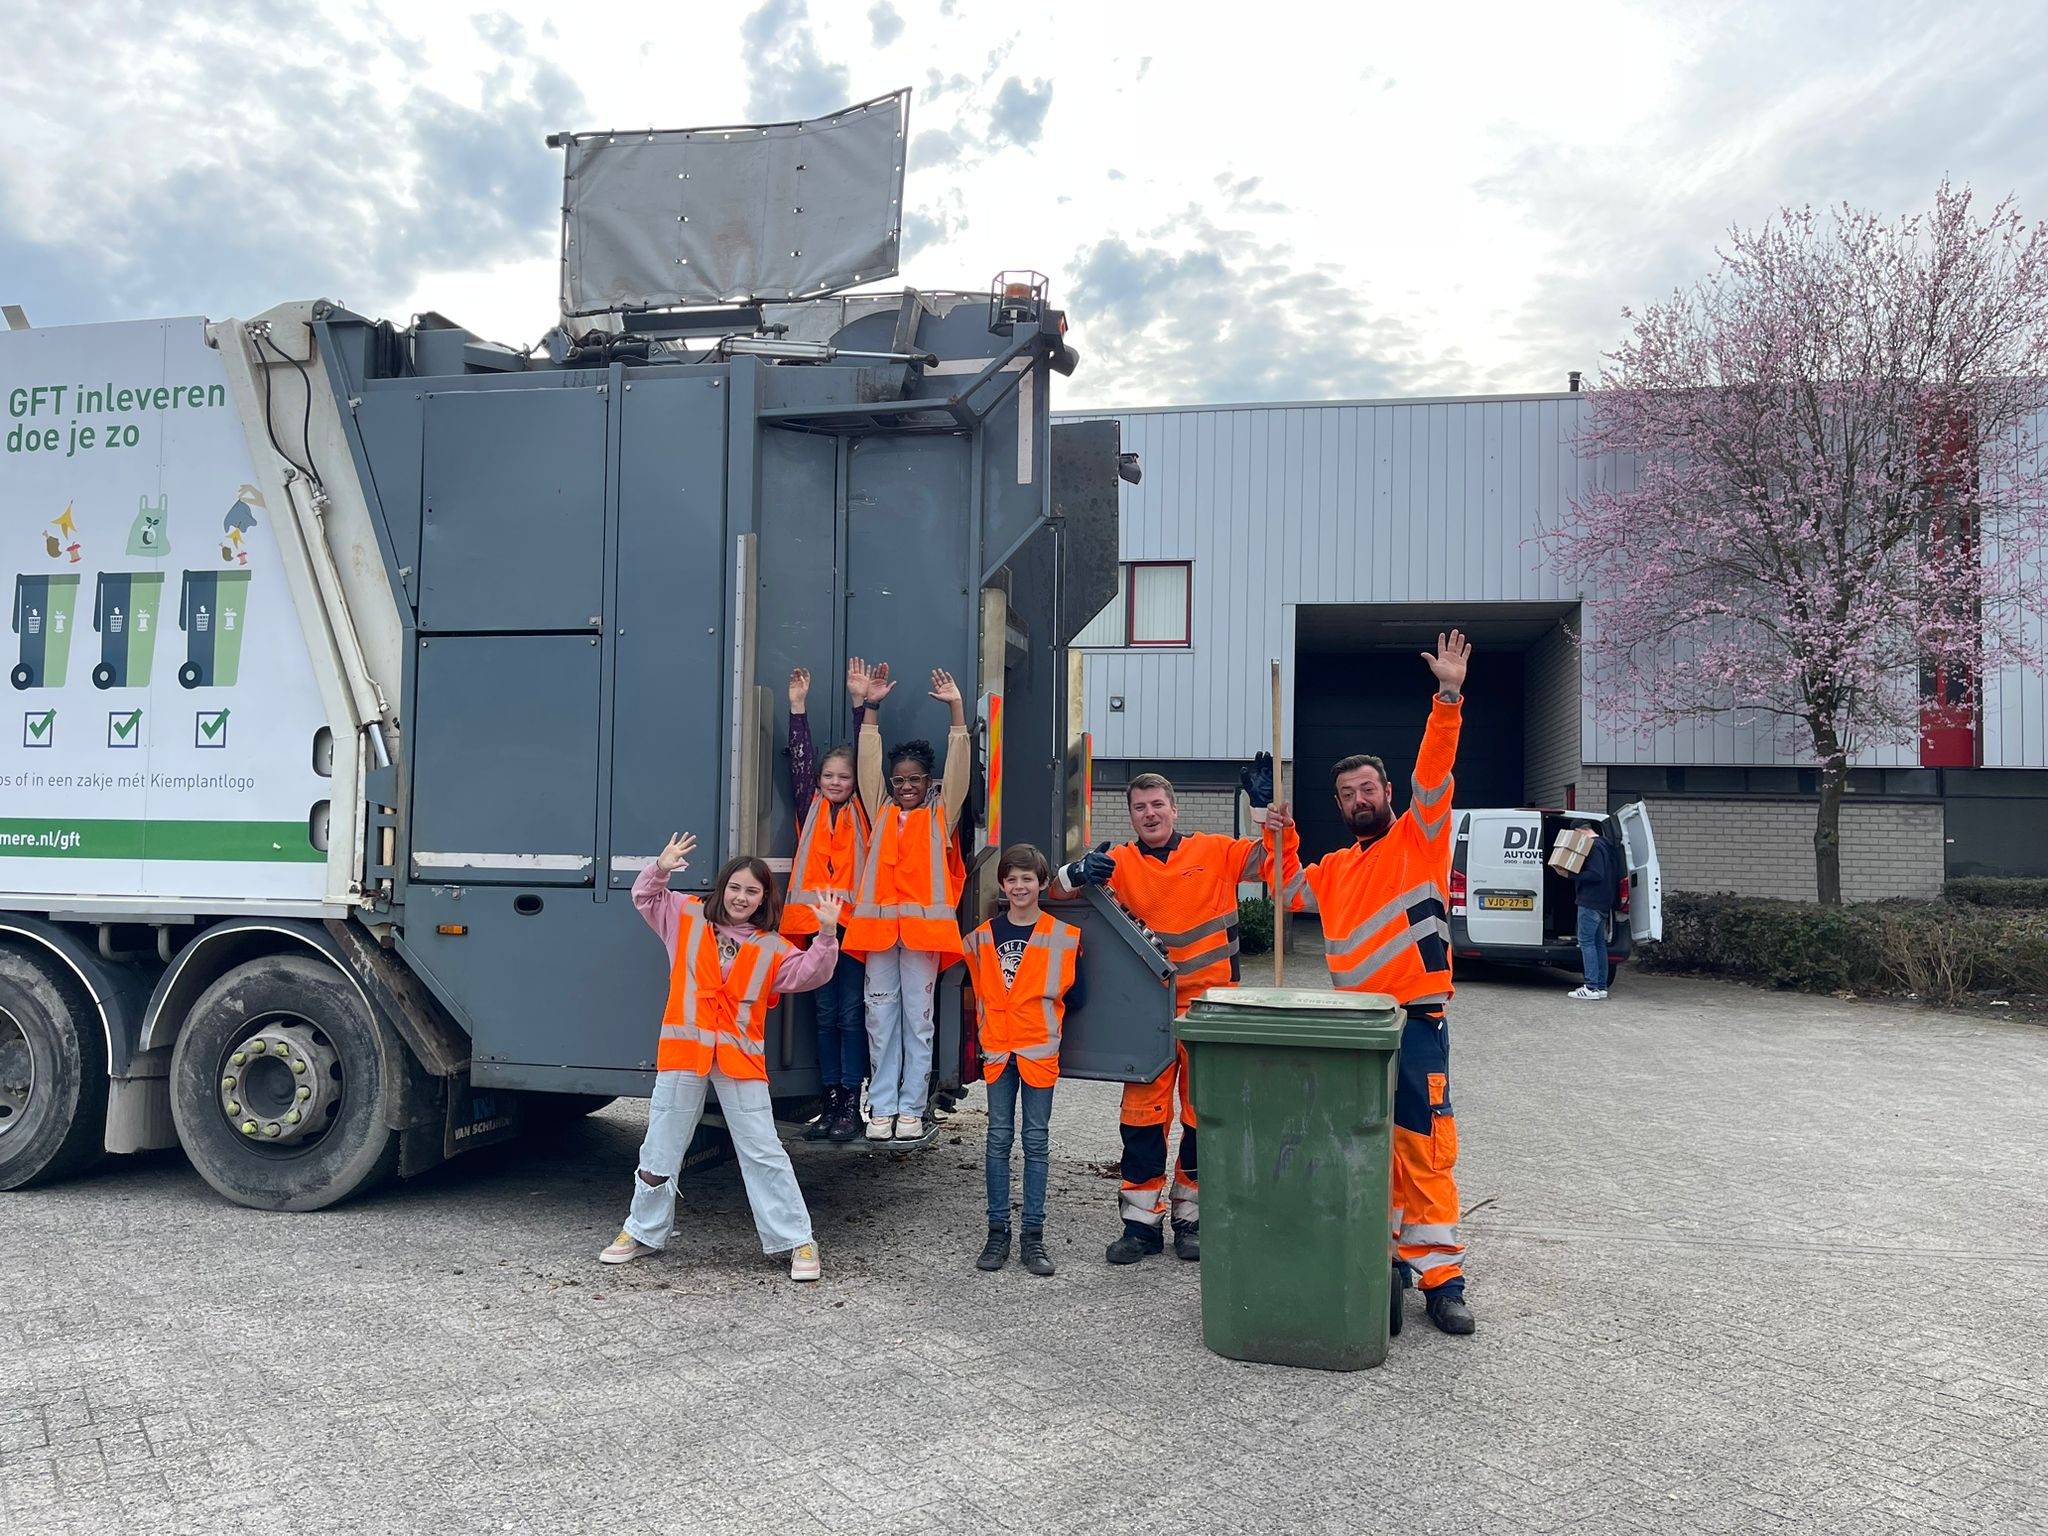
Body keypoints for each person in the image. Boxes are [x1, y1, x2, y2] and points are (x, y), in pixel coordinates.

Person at [1265, 630, 1478, 1335]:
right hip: (1354, 1032)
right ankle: (1383, 1255)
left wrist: (1446, 697)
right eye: (1347, 793)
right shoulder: (1332, 870)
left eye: (1368, 789)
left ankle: (1441, 1278)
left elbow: (1434, 770)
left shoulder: (1420, 835)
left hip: (1414, 1023)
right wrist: (1279, 828)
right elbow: (1285, 889)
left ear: (1388, 792)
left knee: (1422, 1147)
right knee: (1365, 1145)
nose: (1358, 799)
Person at [1056, 770, 1278, 1265]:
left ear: (1174, 808)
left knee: (1205, 1119)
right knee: (1141, 1120)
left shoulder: (1216, 851)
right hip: (1149, 1015)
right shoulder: (1119, 862)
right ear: (1131, 814)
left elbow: (1273, 863)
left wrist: (1264, 810)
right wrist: (1077, 872)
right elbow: (1052, 890)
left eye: (1157, 804)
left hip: (1211, 1010)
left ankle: (1190, 1219)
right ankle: (1139, 1226)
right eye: (1140, 807)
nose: (1150, 814)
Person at [599, 835, 843, 1282]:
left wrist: (827, 933)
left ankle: (796, 1240)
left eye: (752, 891)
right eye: (735, 888)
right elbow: (644, 896)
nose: (741, 898)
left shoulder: (772, 946)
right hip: (685, 1054)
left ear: (763, 899)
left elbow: (814, 972)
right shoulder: (685, 914)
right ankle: (640, 1230)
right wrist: (661, 865)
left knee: (763, 1151)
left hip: (738, 1062)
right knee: (660, 1145)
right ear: (722, 888)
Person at [841, 660, 971, 1142]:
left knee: (918, 1023)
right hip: (877, 934)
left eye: (915, 779)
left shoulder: (941, 815)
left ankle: (912, 1107)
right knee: (880, 1019)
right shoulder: (879, 811)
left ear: (928, 781)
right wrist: (870, 708)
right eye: (899, 780)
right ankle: (882, 1107)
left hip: (921, 938)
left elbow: (959, 769)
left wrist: (956, 710)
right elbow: (867, 763)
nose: (906, 786)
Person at [963, 843, 1086, 1278]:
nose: (1019, 886)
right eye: (1011, 879)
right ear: (1002, 884)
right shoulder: (979, 938)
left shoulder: (1064, 936)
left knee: (1035, 1143)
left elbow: (1079, 995)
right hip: (998, 1051)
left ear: (1041, 883)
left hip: (1037, 1051)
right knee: (997, 1141)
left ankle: (1033, 1236)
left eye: (1027, 879)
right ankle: (998, 1232)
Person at [784, 662, 872, 1140]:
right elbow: (798, 762)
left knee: (849, 1015)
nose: (836, 782)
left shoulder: (865, 809)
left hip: (853, 929)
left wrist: (861, 704)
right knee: (823, 1015)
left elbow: (868, 755)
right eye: (829, 776)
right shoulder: (810, 809)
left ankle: (850, 1107)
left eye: (844, 776)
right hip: (817, 928)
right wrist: (797, 707)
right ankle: (830, 1103)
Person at [1569, 829, 1618, 1001]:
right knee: (1599, 944)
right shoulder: (1606, 845)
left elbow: (1595, 874)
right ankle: (1601, 987)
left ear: (1579, 831)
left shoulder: (1593, 847)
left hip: (1590, 902)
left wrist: (1569, 874)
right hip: (1604, 902)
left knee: (1586, 942)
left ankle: (1590, 986)